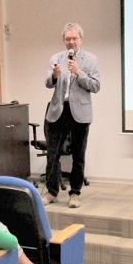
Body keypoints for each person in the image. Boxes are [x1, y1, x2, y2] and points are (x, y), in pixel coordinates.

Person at [42, 22, 100, 209]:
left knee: (78, 155)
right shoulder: (55, 58)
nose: (71, 42)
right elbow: (48, 83)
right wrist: (55, 76)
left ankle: (75, 193)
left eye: (74, 38)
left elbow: (95, 86)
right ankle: (51, 192)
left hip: (80, 113)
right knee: (52, 154)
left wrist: (79, 72)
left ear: (81, 39)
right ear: (63, 40)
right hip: (59, 111)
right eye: (68, 39)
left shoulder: (90, 60)